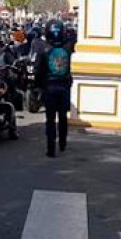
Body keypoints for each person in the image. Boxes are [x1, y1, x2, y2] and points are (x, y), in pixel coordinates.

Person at [35, 20, 73, 157]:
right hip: (64, 86)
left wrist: (37, 86)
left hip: (49, 86)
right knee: (63, 117)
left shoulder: (43, 48)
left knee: (50, 119)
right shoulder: (68, 46)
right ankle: (62, 143)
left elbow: (38, 70)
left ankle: (51, 149)